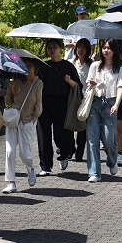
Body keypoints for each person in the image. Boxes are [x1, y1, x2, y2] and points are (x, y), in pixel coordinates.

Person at [37, 38, 81, 175]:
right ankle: (45, 166)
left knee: (60, 133)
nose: (52, 50)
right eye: (49, 47)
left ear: (61, 49)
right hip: (44, 102)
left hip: (61, 103)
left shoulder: (67, 66)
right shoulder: (43, 65)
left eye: (55, 47)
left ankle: (65, 153)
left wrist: (69, 81)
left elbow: (78, 86)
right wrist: (36, 65)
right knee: (43, 134)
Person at [85, 39, 122, 182]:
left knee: (109, 139)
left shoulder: (120, 69)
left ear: (114, 50)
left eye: (109, 48)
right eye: (103, 48)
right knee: (92, 139)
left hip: (110, 103)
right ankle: (94, 173)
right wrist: (92, 83)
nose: (106, 50)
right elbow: (89, 83)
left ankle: (112, 159)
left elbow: (120, 87)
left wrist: (116, 105)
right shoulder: (95, 65)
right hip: (94, 102)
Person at [2, 58, 43, 194]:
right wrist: (9, 90)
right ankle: (11, 183)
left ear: (35, 69)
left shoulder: (38, 83)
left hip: (27, 121)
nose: (27, 68)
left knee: (24, 154)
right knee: (9, 151)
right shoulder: (16, 83)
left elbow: (38, 104)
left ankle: (30, 169)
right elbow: (8, 102)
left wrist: (34, 119)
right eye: (24, 66)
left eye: (30, 66)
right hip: (13, 120)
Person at [71, 38, 93, 161]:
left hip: (86, 98)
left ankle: (79, 152)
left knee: (83, 126)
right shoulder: (71, 63)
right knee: (70, 123)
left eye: (83, 48)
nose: (80, 50)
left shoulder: (91, 64)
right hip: (73, 98)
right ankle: (70, 148)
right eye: (78, 47)